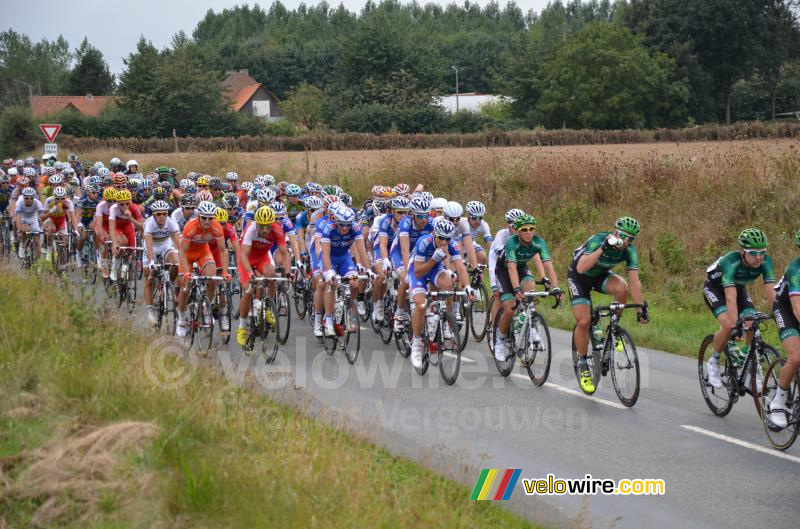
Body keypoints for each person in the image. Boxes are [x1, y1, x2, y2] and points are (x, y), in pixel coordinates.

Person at [568, 216, 648, 394]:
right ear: (614, 232)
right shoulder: (599, 240)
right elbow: (581, 268)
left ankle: (612, 329)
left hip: (599, 276)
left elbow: (635, 282)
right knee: (584, 321)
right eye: (622, 235)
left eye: (631, 238)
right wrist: (604, 247)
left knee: (622, 288)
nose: (625, 241)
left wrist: (639, 308)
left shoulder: (630, 251)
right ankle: (582, 363)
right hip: (579, 277)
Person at [703, 228, 775, 390]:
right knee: (729, 325)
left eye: (762, 252)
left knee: (751, 323)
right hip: (716, 290)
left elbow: (771, 290)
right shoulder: (730, 262)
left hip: (739, 289)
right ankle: (713, 361)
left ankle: (748, 365)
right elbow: (729, 296)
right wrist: (736, 325)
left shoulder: (765, 262)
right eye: (753, 253)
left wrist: (777, 314)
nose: (758, 257)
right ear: (742, 251)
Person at [493, 214, 562, 362]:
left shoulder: (539, 242)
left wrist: (555, 287)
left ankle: (531, 326)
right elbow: (511, 268)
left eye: (531, 229)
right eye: (524, 229)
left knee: (531, 289)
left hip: (522, 268)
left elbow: (548, 265)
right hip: (504, 271)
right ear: (518, 231)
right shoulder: (512, 242)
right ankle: (501, 339)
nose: (528, 232)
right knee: (510, 308)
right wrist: (516, 290)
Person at [407, 216, 473, 368]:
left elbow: (460, 267)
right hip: (418, 270)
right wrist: (433, 259)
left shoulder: (452, 244)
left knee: (449, 285)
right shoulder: (424, 242)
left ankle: (445, 316)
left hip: (435, 269)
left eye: (448, 239)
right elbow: (417, 272)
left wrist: (467, 287)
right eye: (441, 238)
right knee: (421, 305)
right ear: (434, 235)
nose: (444, 242)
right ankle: (416, 343)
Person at [176, 201, 231, 337]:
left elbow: (223, 250)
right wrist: (187, 272)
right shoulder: (190, 227)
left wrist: (225, 271)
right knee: (185, 288)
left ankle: (206, 308)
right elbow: (182, 252)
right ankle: (182, 320)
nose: (207, 221)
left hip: (203, 252)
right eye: (204, 218)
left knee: (212, 279)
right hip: (187, 255)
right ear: (199, 216)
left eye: (210, 218)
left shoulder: (217, 227)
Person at [236, 206, 287, 346]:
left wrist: (288, 272)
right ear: (256, 223)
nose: (264, 230)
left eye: (267, 227)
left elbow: (284, 253)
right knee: (249, 290)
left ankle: (269, 306)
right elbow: (244, 255)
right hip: (247, 259)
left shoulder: (277, 230)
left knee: (272, 275)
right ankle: (242, 327)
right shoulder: (250, 229)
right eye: (261, 226)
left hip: (262, 257)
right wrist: (251, 273)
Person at [768, 229, 800, 427]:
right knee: (796, 357)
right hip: (786, 310)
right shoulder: (796, 270)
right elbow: (797, 307)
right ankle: (778, 401)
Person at [142, 200, 181, 326]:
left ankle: (169, 284)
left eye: (164, 214)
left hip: (165, 245)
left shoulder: (171, 223)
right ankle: (150, 311)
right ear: (154, 215)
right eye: (158, 214)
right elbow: (148, 245)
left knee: (176, 262)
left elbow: (179, 245)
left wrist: (185, 258)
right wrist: (151, 261)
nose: (162, 217)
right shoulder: (149, 224)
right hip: (151, 247)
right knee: (149, 277)